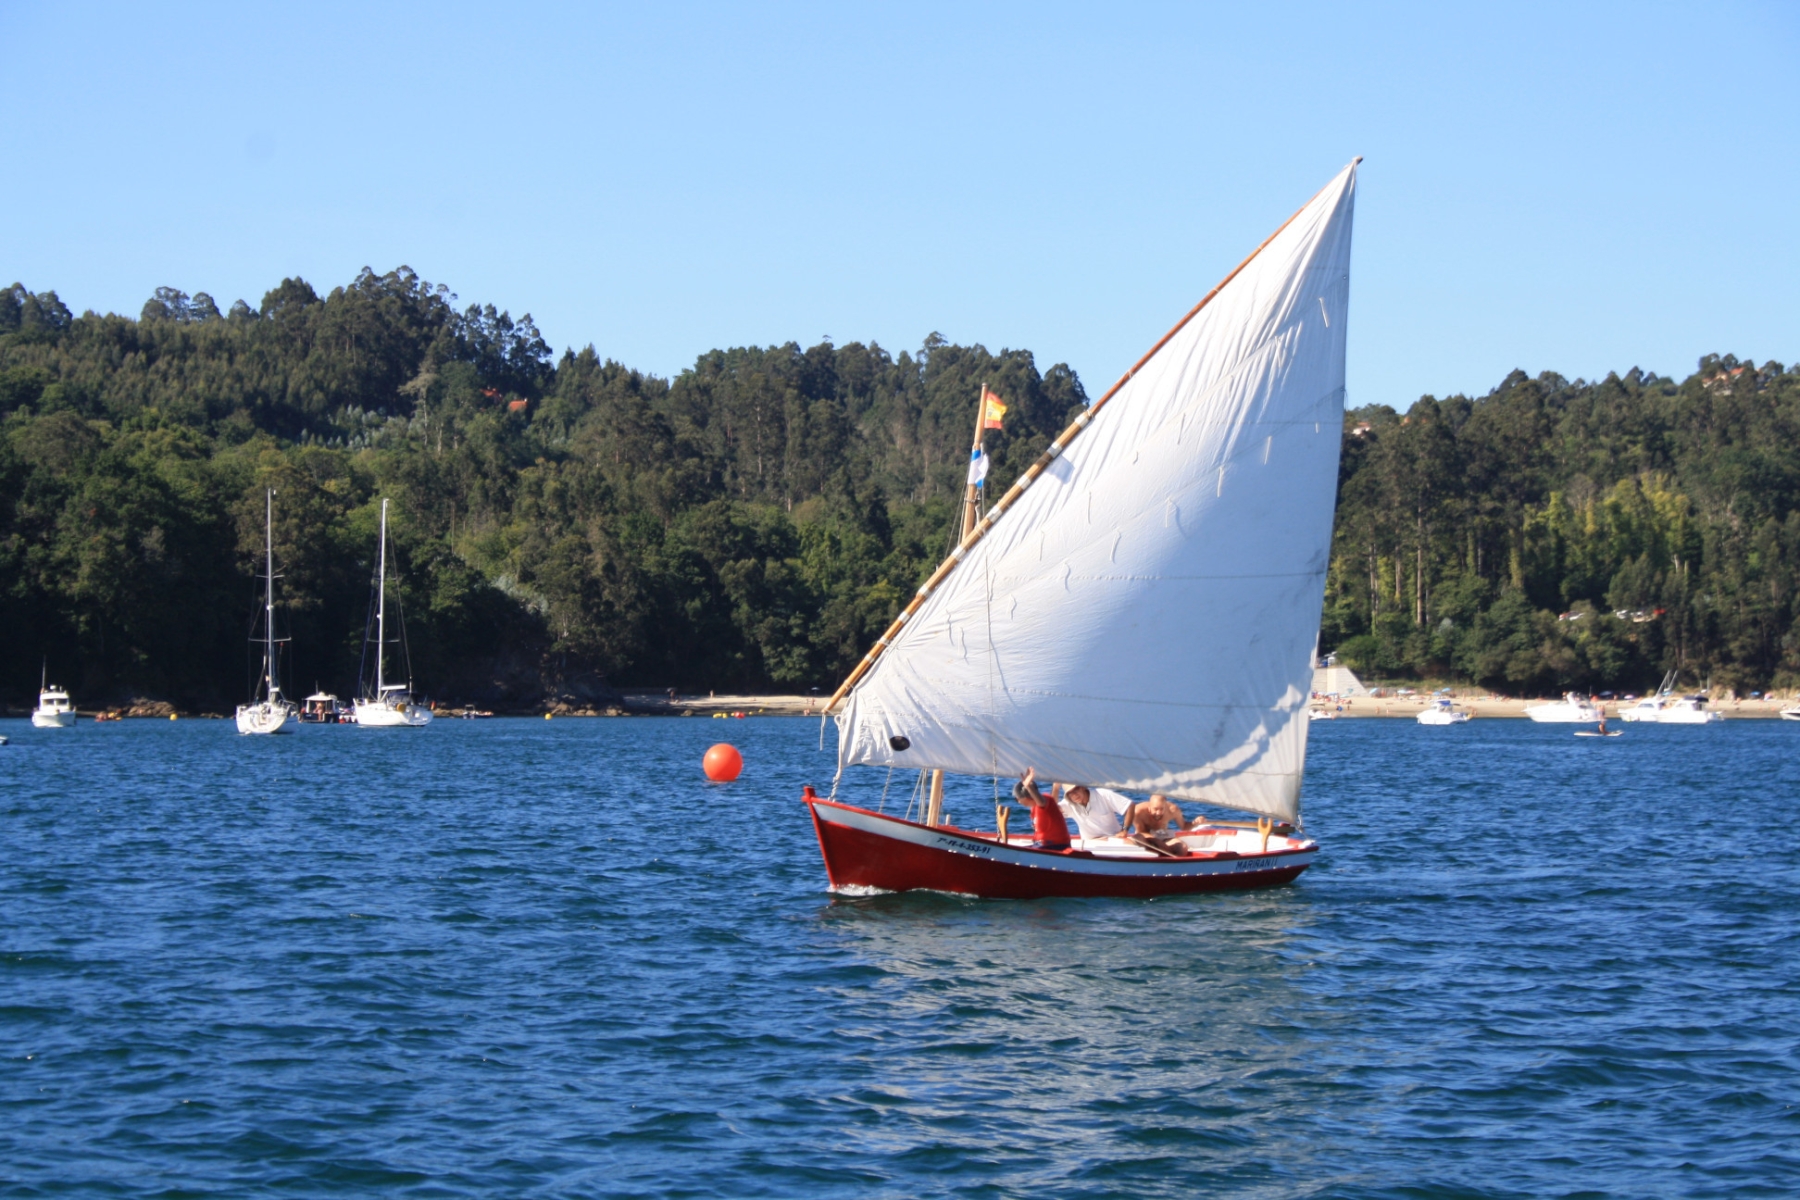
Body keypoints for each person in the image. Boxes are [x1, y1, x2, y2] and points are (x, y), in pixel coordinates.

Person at [1013, 767, 1070, 850]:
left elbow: (1041, 802)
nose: (1017, 801)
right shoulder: (1034, 808)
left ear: (1024, 797)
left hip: (1057, 846)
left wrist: (1028, 787)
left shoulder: (1045, 800)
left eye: (1017, 798)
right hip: (1042, 844)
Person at [1058, 784, 1133, 841]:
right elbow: (1052, 810)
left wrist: (1124, 830)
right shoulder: (1069, 803)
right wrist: (1056, 789)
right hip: (1089, 844)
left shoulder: (1103, 794)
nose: (1074, 795)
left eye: (1076, 789)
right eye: (1069, 793)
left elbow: (1129, 806)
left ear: (1083, 787)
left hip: (1113, 840)